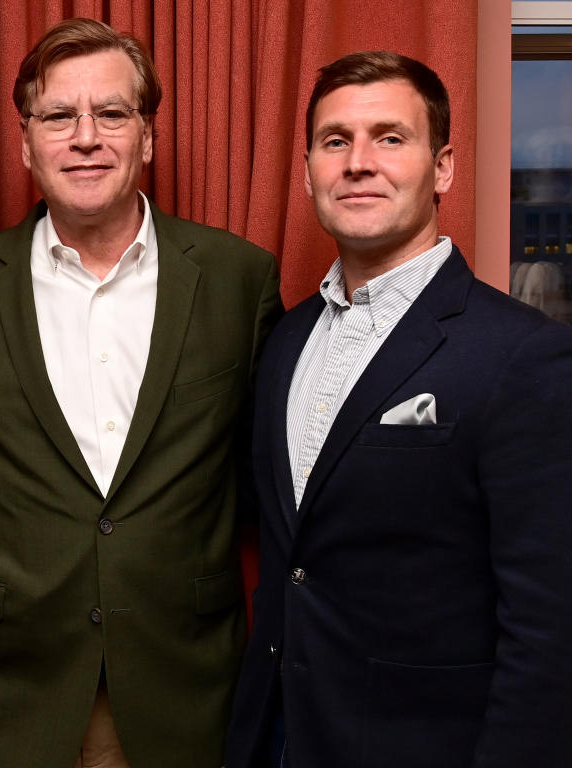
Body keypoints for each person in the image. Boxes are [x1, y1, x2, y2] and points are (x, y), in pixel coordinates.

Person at [0, 17, 281, 768]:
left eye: (112, 113)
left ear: (147, 136)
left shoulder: (238, 279)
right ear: (26, 143)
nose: (86, 137)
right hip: (2, 699)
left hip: (183, 698)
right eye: (58, 116)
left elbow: (259, 484)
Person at [226, 50, 572, 768]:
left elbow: (550, 627)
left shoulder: (523, 356)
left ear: (442, 166)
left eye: (389, 137)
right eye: (334, 141)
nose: (358, 162)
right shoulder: (283, 340)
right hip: (281, 734)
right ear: (309, 171)